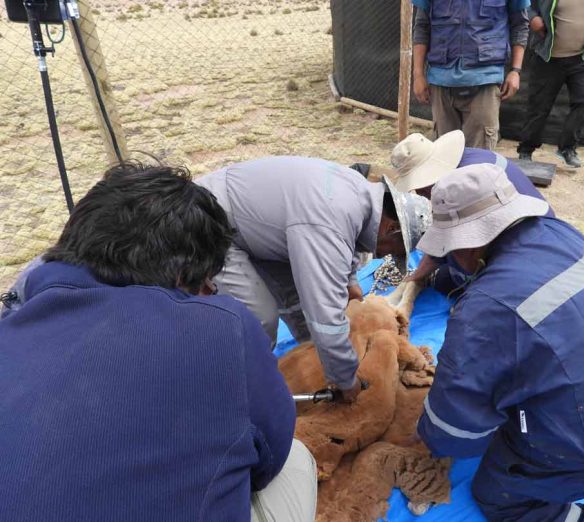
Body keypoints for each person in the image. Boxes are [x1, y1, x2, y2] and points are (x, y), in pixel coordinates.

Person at [0, 162, 317, 522]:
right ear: (184, 274)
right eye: (208, 284)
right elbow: (269, 457)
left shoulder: (11, 327)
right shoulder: (223, 325)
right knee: (295, 460)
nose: (209, 294)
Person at [415, 163, 584, 521]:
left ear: (469, 244)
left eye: (449, 248)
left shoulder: (487, 309)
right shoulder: (560, 234)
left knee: (498, 493)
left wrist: (420, 425)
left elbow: (450, 435)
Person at [196, 156, 430, 403]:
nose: (384, 256)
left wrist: (350, 279)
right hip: (210, 220)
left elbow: (347, 236)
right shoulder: (328, 222)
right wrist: (346, 379)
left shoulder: (360, 193)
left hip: (254, 223)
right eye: (394, 250)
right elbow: (324, 312)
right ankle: (227, 395)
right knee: (259, 320)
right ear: (390, 228)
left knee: (295, 302)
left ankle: (310, 357)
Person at [389, 130, 554, 291]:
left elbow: (460, 238)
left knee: (460, 286)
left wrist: (420, 274)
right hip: (531, 229)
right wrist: (417, 276)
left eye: (419, 186)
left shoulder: (466, 183)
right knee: (443, 278)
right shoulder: (468, 159)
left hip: (526, 243)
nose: (419, 193)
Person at [411, 0, 530, 149]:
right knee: (444, 159)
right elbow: (422, 26)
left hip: (484, 81)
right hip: (441, 82)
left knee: (479, 162)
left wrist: (515, 71)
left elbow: (520, 25)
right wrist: (418, 75)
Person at [517, 0, 584, 168]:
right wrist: (532, 17)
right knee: (539, 107)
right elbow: (522, 3)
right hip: (547, 57)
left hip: (583, 57)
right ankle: (526, 150)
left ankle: (567, 148)